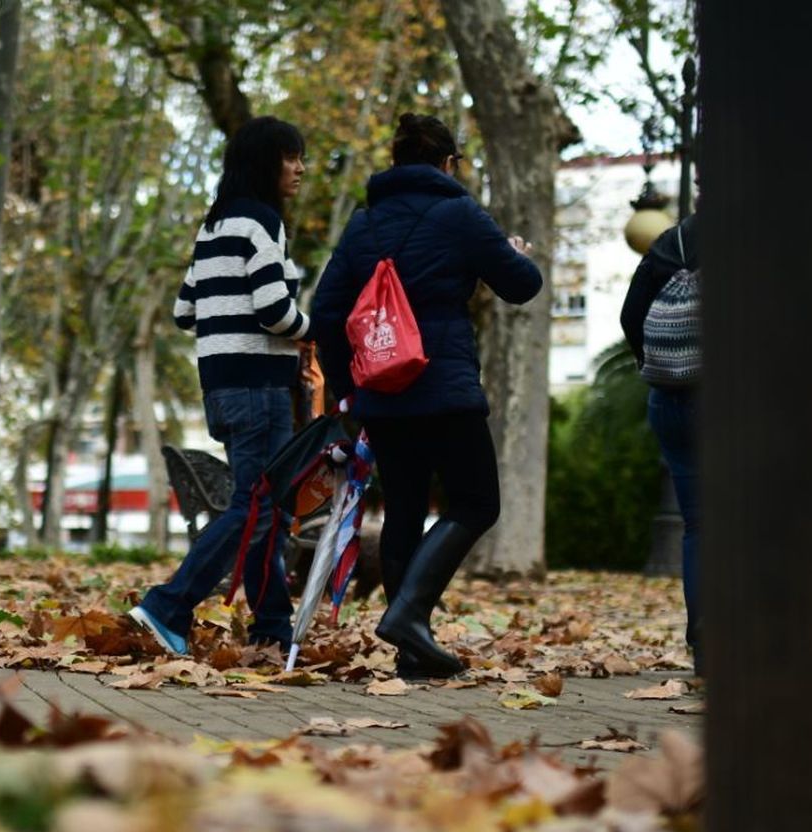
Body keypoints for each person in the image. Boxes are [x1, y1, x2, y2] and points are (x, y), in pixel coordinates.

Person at [310, 113, 542, 678]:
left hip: (383, 394)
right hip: (444, 388)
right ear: (447, 163)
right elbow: (522, 285)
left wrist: (348, 389)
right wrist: (511, 251)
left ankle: (413, 653)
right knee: (476, 502)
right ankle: (410, 614)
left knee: (406, 510)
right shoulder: (459, 213)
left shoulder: (363, 224)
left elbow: (324, 312)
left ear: (395, 162)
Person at [129, 116, 312, 657]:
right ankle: (168, 604)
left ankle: (273, 626)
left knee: (266, 510)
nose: (300, 168)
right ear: (264, 162)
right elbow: (276, 312)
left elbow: (185, 310)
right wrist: (317, 330)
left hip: (222, 387)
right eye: (290, 157)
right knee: (253, 508)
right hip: (259, 386)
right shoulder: (262, 224)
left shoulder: (212, 228)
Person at [621, 211, 701, 666]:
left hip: (671, 399)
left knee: (699, 526)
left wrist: (655, 367)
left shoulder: (673, 242)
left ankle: (704, 638)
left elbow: (631, 314)